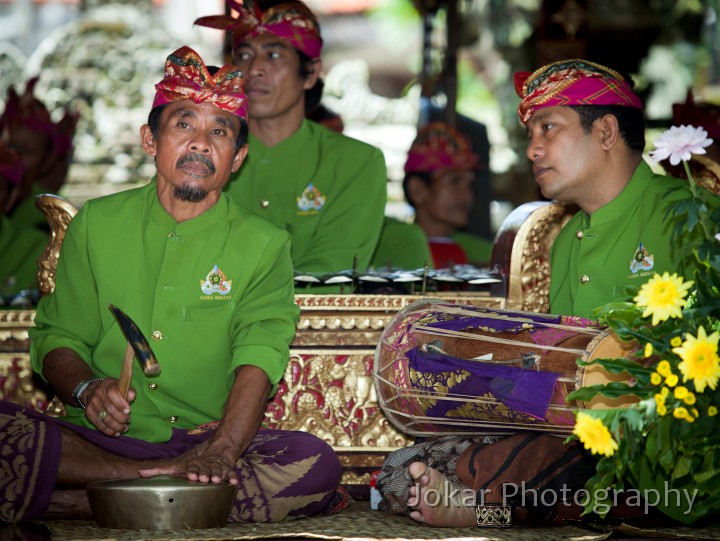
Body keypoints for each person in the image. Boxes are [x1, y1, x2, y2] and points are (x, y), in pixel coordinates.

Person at [0, 46, 341, 524]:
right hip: (101, 442)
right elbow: (56, 337)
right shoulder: (98, 223)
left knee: (314, 465)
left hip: (202, 440)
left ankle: (91, 500)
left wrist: (221, 450)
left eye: (219, 131)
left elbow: (259, 357)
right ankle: (156, 485)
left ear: (237, 156)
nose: (201, 143)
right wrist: (88, 390)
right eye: (184, 125)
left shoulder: (264, 244)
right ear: (150, 139)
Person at [376, 58, 698, 527]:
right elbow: (557, 368)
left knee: (556, 464)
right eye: (530, 135)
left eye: (548, 128)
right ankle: (493, 495)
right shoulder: (567, 237)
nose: (533, 150)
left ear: (606, 131)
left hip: (666, 443)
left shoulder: (686, 216)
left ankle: (484, 507)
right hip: (576, 435)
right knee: (403, 470)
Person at [194, 0, 387, 277]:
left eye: (273, 55)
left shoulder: (357, 163)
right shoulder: (203, 151)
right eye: (245, 56)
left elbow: (333, 268)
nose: (254, 69)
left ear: (310, 73)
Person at [402, 122, 493, 269]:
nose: (467, 195)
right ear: (417, 189)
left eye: (470, 185)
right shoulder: (392, 247)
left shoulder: (491, 254)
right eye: (455, 181)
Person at [0, 77, 78, 230]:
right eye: (9, 145)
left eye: (27, 151)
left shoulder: (55, 216)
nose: (14, 155)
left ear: (48, 160)